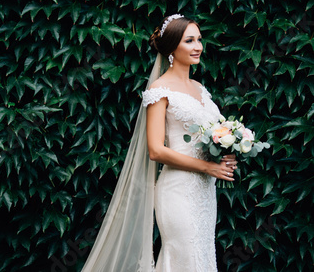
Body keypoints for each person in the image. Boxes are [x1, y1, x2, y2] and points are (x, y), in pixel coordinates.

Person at [81, 14, 237, 272]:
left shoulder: (200, 89)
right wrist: (207, 167)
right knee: (185, 258)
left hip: (205, 192)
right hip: (177, 190)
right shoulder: (160, 89)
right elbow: (156, 150)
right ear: (173, 48)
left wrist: (226, 152)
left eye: (199, 39)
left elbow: (212, 136)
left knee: (202, 256)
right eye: (189, 40)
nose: (198, 46)